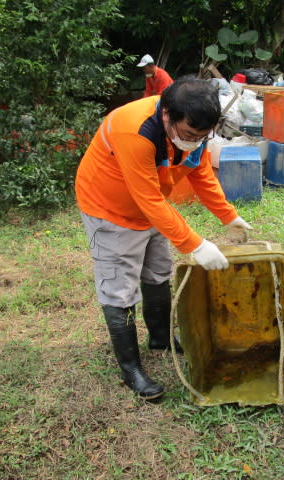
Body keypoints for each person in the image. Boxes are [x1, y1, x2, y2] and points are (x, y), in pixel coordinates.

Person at [75, 77, 252, 400]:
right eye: (188, 135)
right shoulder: (135, 131)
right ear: (167, 115)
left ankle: (160, 337)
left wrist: (228, 216)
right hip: (110, 209)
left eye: (202, 136)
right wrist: (195, 245)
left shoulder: (190, 134)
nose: (194, 141)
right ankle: (131, 369)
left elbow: (199, 171)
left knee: (157, 272)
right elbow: (148, 200)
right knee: (119, 289)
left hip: (151, 206)